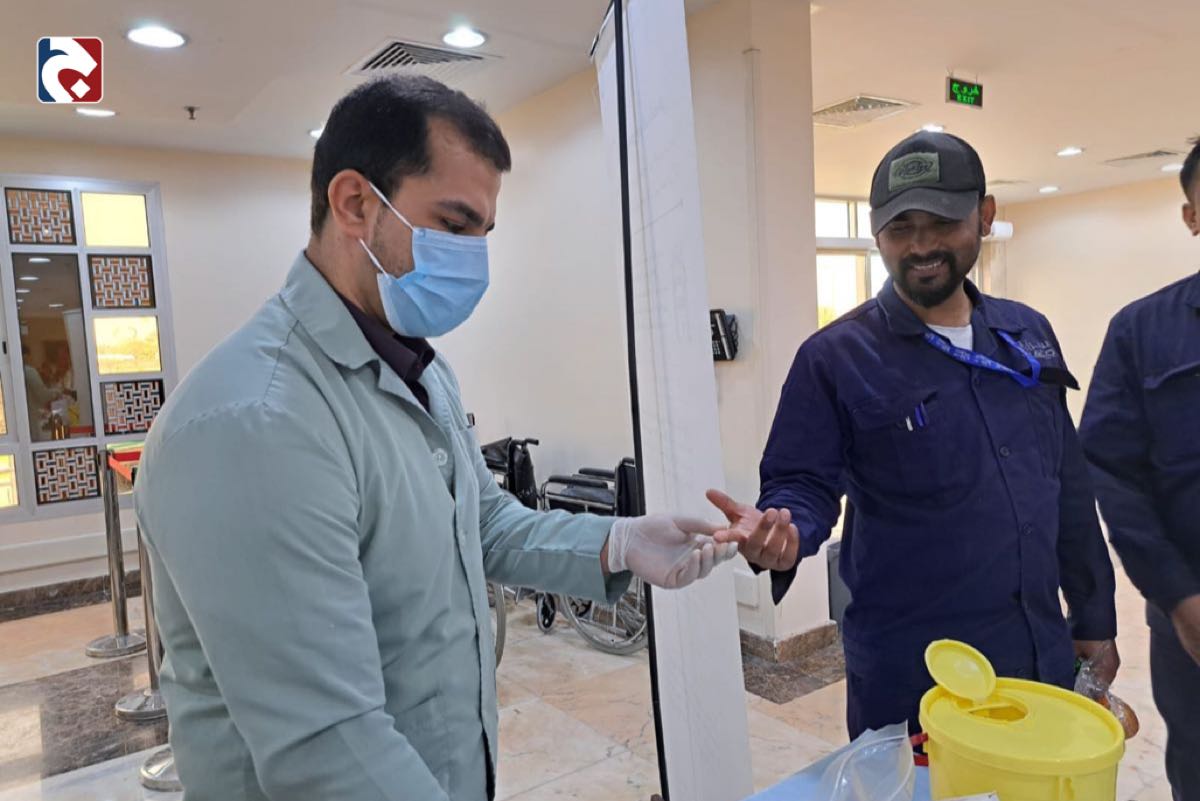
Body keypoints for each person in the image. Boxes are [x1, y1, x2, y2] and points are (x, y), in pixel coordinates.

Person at [134, 75, 736, 801]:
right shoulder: (255, 421)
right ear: (355, 204)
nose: (475, 260)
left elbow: (481, 523)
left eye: (484, 234)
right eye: (454, 226)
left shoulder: (419, 367)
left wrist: (618, 542)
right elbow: (327, 747)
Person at [709, 131, 1119, 738]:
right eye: (900, 228)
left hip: (1039, 656)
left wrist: (1094, 617)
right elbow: (801, 483)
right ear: (877, 233)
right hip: (918, 681)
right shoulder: (835, 358)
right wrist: (785, 532)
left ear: (984, 216)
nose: (921, 245)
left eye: (942, 222)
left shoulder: (1027, 336)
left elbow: (1067, 488)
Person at [1079, 137, 1200, 801]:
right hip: (1192, 622)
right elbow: (1111, 469)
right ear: (1191, 215)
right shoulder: (1142, 331)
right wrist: (1179, 597)